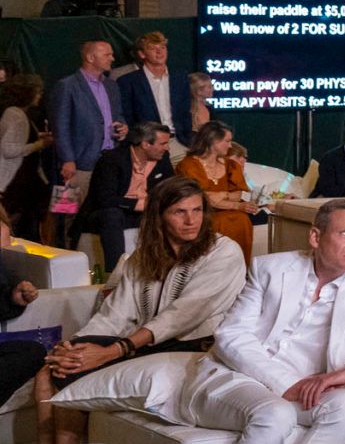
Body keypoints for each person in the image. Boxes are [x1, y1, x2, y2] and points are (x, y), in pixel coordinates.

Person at [5, 177, 249, 444]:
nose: (191, 220)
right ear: (159, 216)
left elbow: (181, 317)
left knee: (70, 374)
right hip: (145, 343)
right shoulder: (144, 257)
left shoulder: (223, 252)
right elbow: (115, 314)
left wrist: (113, 351)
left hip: (193, 345)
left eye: (197, 210)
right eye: (179, 212)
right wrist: (73, 346)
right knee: (52, 370)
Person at [180, 199, 345, 444]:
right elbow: (231, 335)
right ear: (315, 237)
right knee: (275, 414)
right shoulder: (270, 270)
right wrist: (285, 383)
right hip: (239, 377)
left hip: (308, 387)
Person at [72, 121, 175, 276]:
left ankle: (171, 269)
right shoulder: (112, 160)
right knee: (111, 215)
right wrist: (139, 204)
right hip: (108, 213)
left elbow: (170, 188)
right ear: (146, 144)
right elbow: (104, 199)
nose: (167, 148)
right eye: (163, 143)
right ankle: (115, 274)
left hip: (144, 213)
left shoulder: (163, 158)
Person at [46, 38, 123, 216]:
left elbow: (118, 116)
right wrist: (67, 159)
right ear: (90, 57)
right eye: (107, 54)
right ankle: (65, 245)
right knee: (69, 214)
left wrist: (123, 127)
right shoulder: (66, 86)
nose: (112, 58)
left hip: (109, 160)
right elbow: (60, 125)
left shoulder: (111, 85)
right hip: (77, 164)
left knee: (103, 213)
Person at [175, 120, 261, 258]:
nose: (230, 145)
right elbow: (200, 198)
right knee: (218, 220)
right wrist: (236, 205)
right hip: (199, 212)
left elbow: (236, 195)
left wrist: (222, 194)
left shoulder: (231, 165)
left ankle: (240, 270)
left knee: (241, 219)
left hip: (230, 211)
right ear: (213, 141)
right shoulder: (189, 165)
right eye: (227, 141)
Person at [113, 30, 181, 134]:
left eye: (162, 47)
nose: (159, 52)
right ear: (142, 54)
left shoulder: (179, 77)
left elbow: (185, 111)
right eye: (153, 48)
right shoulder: (128, 81)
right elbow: (127, 115)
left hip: (179, 138)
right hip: (147, 141)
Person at [0, 74, 47, 214]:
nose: (40, 96)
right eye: (38, 92)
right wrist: (40, 144)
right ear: (27, 94)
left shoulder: (18, 113)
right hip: (16, 180)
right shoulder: (15, 114)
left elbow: (19, 138)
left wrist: (39, 137)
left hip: (22, 178)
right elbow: (9, 150)